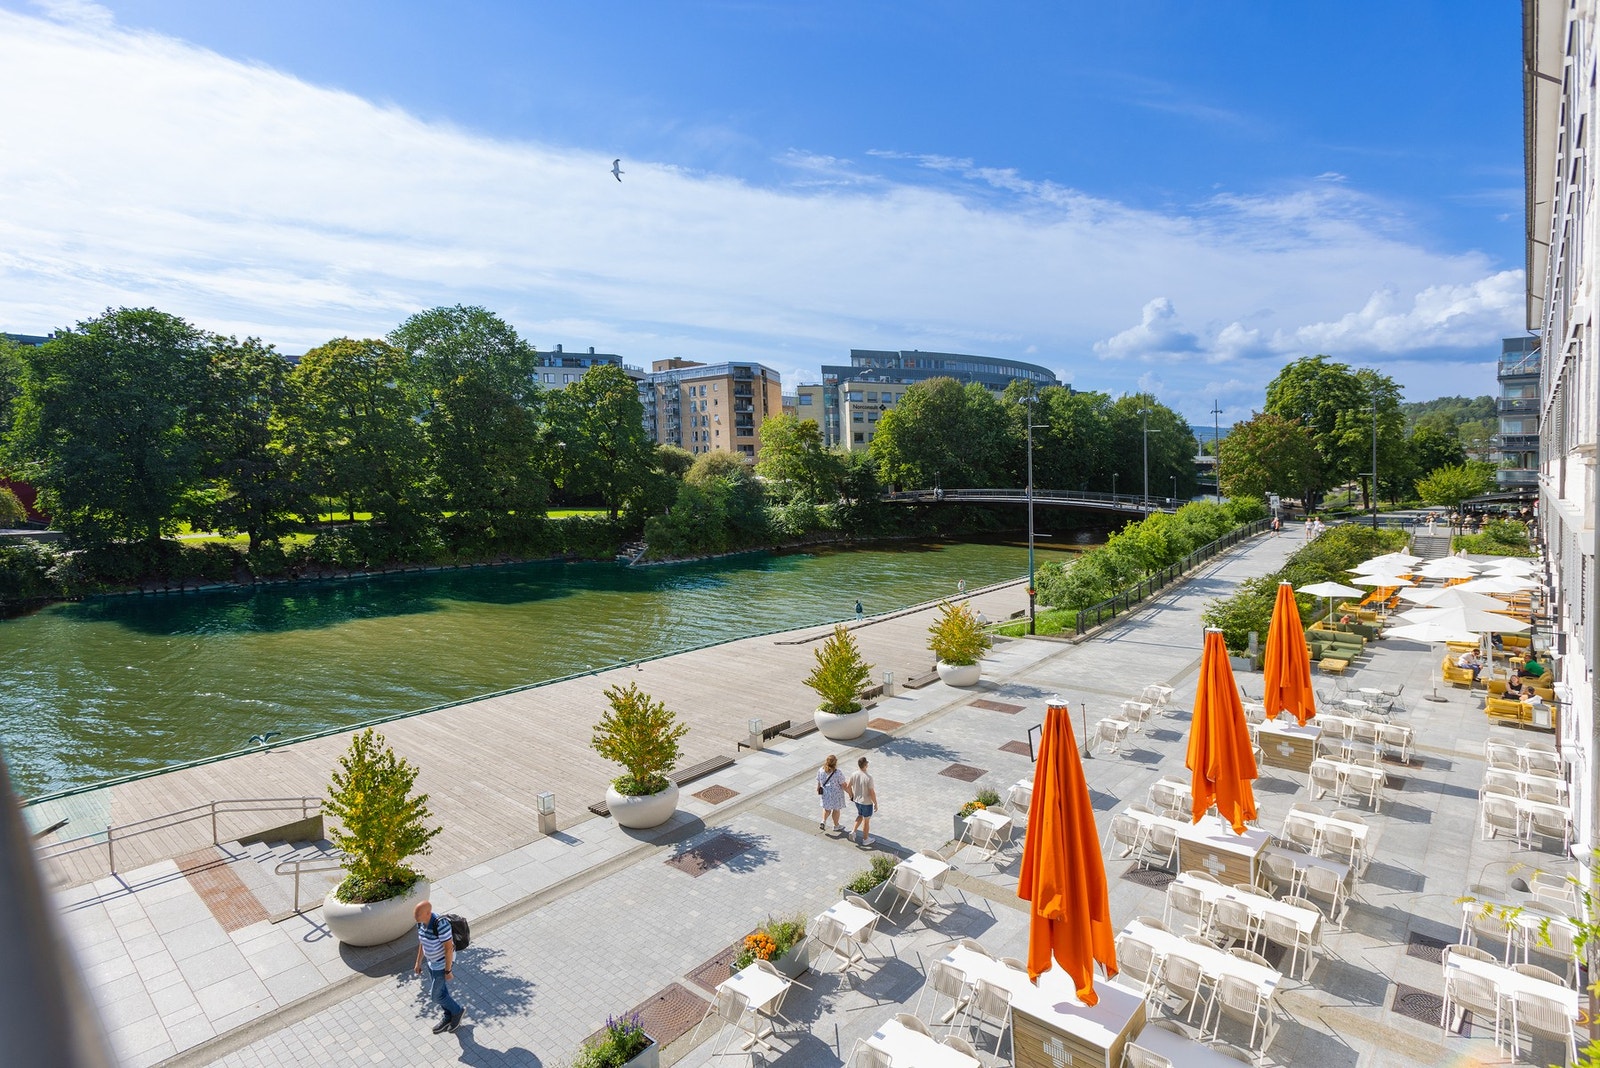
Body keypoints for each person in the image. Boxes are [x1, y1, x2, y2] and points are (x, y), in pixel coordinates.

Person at [413, 900, 462, 1034]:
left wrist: (448, 970)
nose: (415, 917)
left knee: (435, 996)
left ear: (428, 913)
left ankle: (457, 1011)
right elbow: (422, 942)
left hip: (442, 964)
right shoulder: (421, 924)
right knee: (441, 992)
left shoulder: (441, 924)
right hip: (432, 962)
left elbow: (448, 949)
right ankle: (448, 1016)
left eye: (418, 914)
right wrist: (418, 962)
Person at [847, 756, 878, 847]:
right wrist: (875, 803)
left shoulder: (854, 774)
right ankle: (865, 839)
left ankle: (853, 832)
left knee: (860, 815)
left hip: (857, 801)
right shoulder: (869, 777)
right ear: (865, 765)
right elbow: (871, 792)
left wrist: (851, 795)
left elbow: (848, 786)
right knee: (866, 820)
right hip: (866, 802)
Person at [817, 754, 846, 834]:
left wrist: (818, 787)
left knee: (827, 808)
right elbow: (843, 784)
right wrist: (850, 792)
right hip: (836, 794)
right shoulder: (837, 772)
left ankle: (823, 821)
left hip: (825, 793)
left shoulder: (821, 770)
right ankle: (836, 825)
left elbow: (819, 781)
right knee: (836, 809)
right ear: (835, 763)